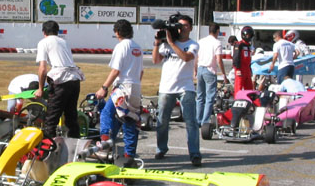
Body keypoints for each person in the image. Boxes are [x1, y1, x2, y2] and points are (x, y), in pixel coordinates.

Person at [151, 14, 201, 166]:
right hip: (166, 87)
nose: (182, 28)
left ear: (191, 28)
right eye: (179, 25)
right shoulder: (167, 43)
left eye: (185, 25)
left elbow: (186, 58)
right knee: (162, 121)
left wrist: (172, 43)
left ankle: (194, 154)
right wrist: (157, 43)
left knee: (191, 122)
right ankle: (161, 148)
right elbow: (155, 60)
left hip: (185, 87)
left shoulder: (193, 44)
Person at [95, 19, 143, 165]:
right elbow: (141, 72)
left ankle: (105, 142)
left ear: (117, 32)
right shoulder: (137, 47)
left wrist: (104, 87)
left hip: (123, 87)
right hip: (135, 86)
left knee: (106, 113)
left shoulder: (121, 46)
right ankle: (129, 155)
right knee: (129, 120)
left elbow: (116, 70)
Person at [35, 20, 83, 138]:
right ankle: (74, 145)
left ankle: (48, 148)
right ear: (57, 31)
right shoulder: (64, 42)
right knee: (71, 116)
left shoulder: (44, 42)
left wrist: (40, 89)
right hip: (75, 79)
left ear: (44, 32)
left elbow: (42, 69)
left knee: (51, 118)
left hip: (61, 80)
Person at [196, 23, 228, 129]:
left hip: (200, 68)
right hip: (210, 70)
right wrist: (223, 73)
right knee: (209, 98)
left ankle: (197, 119)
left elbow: (196, 57)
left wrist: (195, 70)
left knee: (200, 97)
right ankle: (205, 121)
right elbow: (219, 59)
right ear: (217, 31)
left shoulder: (201, 41)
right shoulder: (217, 43)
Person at [232, 26, 254, 95]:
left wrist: (250, 70)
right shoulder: (239, 44)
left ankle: (249, 102)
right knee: (238, 88)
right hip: (240, 70)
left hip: (247, 70)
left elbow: (249, 59)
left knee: (249, 88)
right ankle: (237, 101)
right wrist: (237, 69)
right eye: (247, 35)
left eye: (250, 35)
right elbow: (236, 57)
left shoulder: (248, 46)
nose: (248, 37)